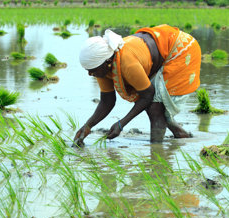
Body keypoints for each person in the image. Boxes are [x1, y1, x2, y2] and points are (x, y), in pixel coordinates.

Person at [73, 24, 201, 146]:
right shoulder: (102, 67)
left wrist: (121, 124)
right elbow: (107, 101)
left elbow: (147, 94)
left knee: (155, 108)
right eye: (88, 70)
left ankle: (157, 152)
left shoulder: (127, 63)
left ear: (107, 62)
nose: (90, 74)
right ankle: (180, 135)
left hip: (179, 49)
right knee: (156, 107)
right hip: (160, 48)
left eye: (92, 70)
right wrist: (88, 126)